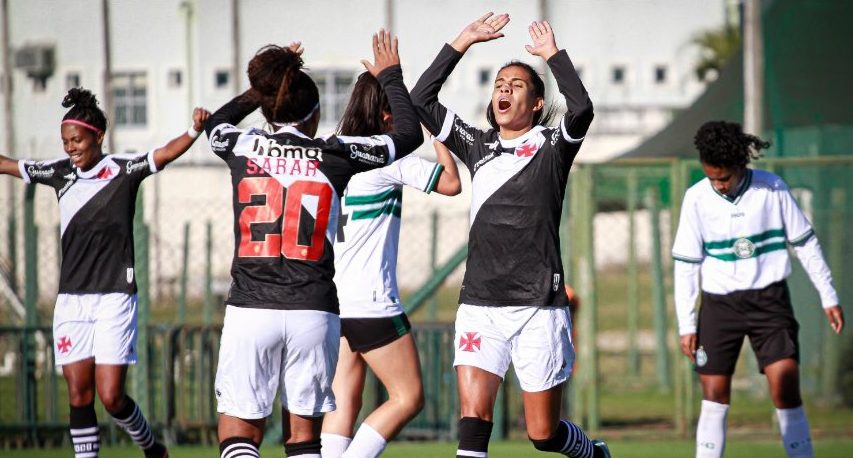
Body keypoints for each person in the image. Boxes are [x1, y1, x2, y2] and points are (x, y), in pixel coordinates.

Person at [204, 31, 422, 458]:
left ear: (269, 109)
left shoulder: (242, 145)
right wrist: (391, 77)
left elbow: (215, 122)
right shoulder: (335, 153)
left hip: (252, 306)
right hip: (314, 311)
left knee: (238, 434)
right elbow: (409, 135)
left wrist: (264, 87)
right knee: (304, 441)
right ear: (315, 116)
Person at [411, 13, 609, 458]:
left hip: (539, 306)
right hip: (481, 304)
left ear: (537, 103)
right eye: (500, 83)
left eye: (517, 85)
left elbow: (582, 109)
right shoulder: (477, 145)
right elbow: (421, 99)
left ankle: (592, 453)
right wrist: (464, 40)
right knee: (473, 422)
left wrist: (552, 56)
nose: (504, 89)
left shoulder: (553, 144)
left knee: (543, 435)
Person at [0, 88, 209, 458]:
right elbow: (11, 165)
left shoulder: (124, 170)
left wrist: (194, 131)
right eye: (65, 141)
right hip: (72, 302)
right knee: (79, 395)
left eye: (77, 140)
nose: (70, 148)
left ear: (98, 137)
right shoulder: (60, 173)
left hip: (115, 297)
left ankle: (152, 448)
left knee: (111, 396)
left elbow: (165, 153)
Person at [672, 121, 845, 458]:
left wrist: (829, 295)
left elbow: (805, 245)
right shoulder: (696, 199)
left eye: (725, 177)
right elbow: (687, 266)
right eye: (713, 178)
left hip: (769, 302)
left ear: (741, 165)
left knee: (785, 387)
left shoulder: (773, 189)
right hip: (720, 307)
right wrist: (687, 324)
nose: (719, 185)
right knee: (714, 394)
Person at [320, 70, 461, 458]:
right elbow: (451, 183)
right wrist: (438, 141)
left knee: (343, 400)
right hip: (372, 304)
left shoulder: (334, 155)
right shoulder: (387, 160)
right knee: (408, 397)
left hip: (332, 303)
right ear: (386, 116)